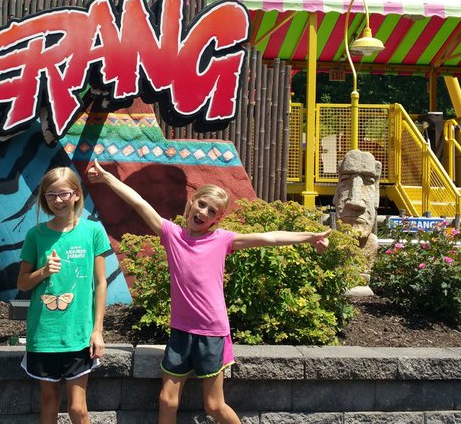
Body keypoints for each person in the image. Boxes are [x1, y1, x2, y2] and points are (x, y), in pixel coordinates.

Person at [85, 159, 329, 424]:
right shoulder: (171, 235)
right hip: (180, 332)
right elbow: (140, 202)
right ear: (192, 203)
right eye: (202, 204)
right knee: (167, 400)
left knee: (214, 405)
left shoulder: (222, 240)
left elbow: (268, 238)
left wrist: (309, 236)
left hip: (212, 332)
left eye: (212, 211)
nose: (204, 212)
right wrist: (107, 179)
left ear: (217, 219)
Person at [17, 167, 109, 424]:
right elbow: (23, 283)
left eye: (64, 194)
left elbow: (100, 284)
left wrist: (97, 331)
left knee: (78, 409)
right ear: (44, 199)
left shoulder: (92, 231)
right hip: (44, 335)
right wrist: (43, 272)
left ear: (77, 194)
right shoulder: (35, 235)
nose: (58, 200)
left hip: (78, 336)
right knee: (49, 403)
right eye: (51, 195)